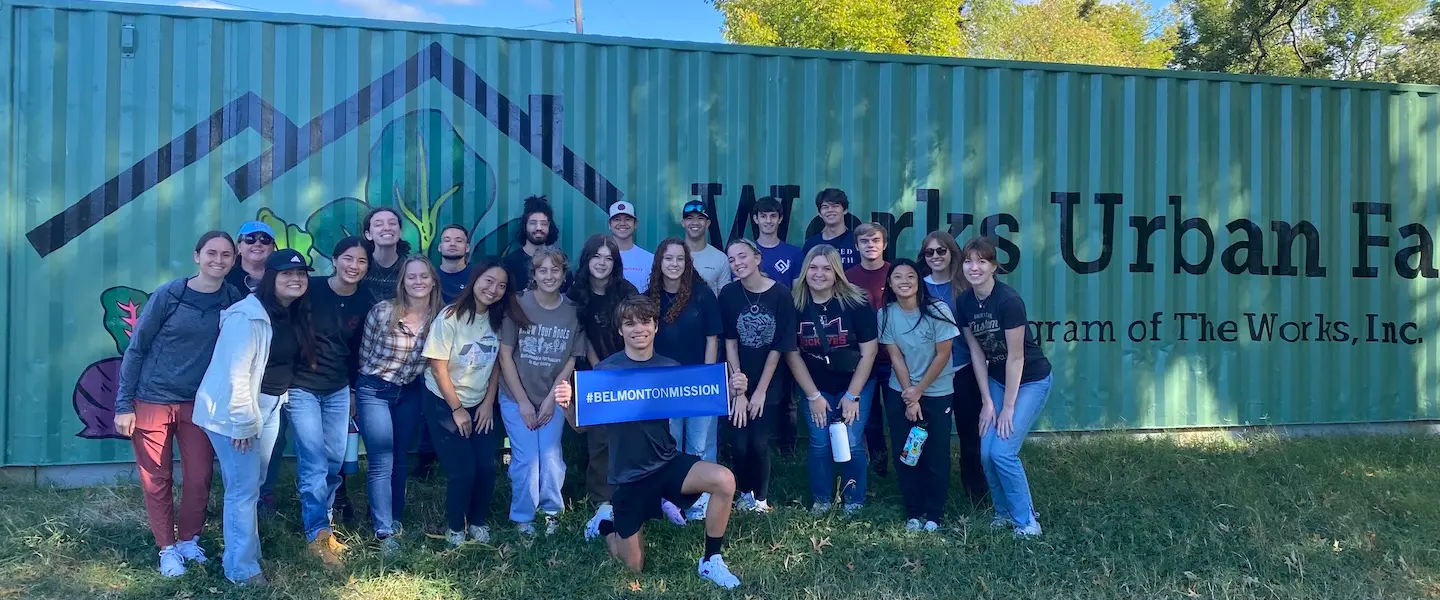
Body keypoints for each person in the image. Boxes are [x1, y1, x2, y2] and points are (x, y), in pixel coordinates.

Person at [553, 295, 749, 590]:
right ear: (620, 331)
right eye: (629, 323)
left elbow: (707, 398)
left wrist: (734, 390)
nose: (638, 329)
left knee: (724, 479)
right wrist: (567, 405)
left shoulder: (670, 368)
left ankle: (711, 560)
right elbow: (580, 428)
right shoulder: (606, 371)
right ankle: (606, 525)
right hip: (627, 476)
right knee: (633, 568)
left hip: (666, 463)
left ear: (656, 327)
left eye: (645, 321)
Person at [113, 231, 245, 577]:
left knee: (200, 477)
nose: (218, 260)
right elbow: (137, 348)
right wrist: (123, 404)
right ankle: (167, 549)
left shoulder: (233, 299)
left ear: (234, 261)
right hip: (152, 399)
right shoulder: (170, 295)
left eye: (226, 255)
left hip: (200, 403)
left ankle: (189, 539)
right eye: (211, 253)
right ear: (196, 255)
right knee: (157, 477)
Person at [193, 248, 314, 587]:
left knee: (253, 485)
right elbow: (236, 374)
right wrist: (243, 421)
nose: (295, 279)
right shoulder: (246, 316)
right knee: (243, 490)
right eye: (287, 274)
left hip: (270, 406)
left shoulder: (290, 312)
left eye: (301, 274)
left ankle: (243, 552)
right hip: (237, 410)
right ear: (269, 277)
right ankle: (241, 570)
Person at [957, 237, 1054, 538]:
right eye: (969, 261)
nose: (974, 267)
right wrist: (987, 402)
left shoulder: (1008, 301)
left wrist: (1007, 408)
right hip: (997, 381)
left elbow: (1016, 357)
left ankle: (1027, 521)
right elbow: (976, 352)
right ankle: (1003, 513)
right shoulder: (964, 302)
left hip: (1030, 380)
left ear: (994, 267)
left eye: (981, 261)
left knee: (1003, 452)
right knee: (986, 453)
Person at [423, 257, 524, 546]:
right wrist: (457, 410)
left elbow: (495, 365)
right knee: (462, 469)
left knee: (486, 466)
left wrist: (486, 404)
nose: (493, 289)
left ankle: (478, 522)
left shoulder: (498, 320)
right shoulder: (450, 316)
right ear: (475, 279)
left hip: (479, 403)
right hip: (444, 401)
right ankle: (456, 527)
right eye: (488, 281)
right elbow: (437, 367)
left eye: (501, 286)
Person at [289, 236, 372, 568]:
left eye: (362, 261)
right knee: (313, 462)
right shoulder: (311, 289)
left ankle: (323, 520)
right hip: (303, 386)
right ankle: (317, 534)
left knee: (335, 461)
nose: (354, 266)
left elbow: (357, 352)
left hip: (338, 388)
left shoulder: (365, 300)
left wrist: (352, 390)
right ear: (335, 260)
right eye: (348, 259)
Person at [355, 256, 443, 554]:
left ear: (433, 281)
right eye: (411, 277)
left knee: (401, 458)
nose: (418, 282)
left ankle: (394, 519)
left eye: (424, 276)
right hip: (375, 390)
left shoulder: (440, 319)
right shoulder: (382, 312)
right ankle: (383, 531)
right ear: (402, 282)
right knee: (382, 459)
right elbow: (364, 355)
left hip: (409, 392)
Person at [497, 247, 586, 537]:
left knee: (549, 457)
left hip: (553, 397)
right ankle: (523, 517)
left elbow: (572, 359)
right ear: (534, 275)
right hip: (515, 397)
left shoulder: (572, 311)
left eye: (555, 270)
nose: (549, 276)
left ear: (564, 273)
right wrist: (523, 402)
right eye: (542, 270)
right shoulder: (518, 304)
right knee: (526, 458)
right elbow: (506, 355)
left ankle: (551, 512)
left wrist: (551, 401)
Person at [785, 245, 878, 516]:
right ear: (804, 272)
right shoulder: (794, 304)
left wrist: (852, 396)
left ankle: (854, 500)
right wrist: (813, 397)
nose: (819, 274)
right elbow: (792, 355)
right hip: (816, 386)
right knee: (819, 441)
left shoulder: (857, 302)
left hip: (856, 382)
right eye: (813, 267)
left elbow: (869, 352)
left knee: (850, 439)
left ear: (837, 272)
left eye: (826, 268)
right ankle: (822, 499)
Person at [566, 234, 640, 539]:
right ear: (587, 260)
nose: (602, 263)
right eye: (596, 256)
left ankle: (633, 495)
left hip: (627, 372)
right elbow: (578, 336)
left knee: (630, 437)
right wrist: (599, 371)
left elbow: (639, 329)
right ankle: (601, 501)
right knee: (599, 439)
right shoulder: (575, 293)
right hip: (591, 375)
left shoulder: (626, 291)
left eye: (609, 258)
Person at [878, 259, 960, 533]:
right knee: (906, 453)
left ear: (919, 280)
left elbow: (943, 353)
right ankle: (914, 510)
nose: (904, 281)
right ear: (889, 283)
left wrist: (919, 391)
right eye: (897, 277)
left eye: (910, 276)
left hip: (937, 393)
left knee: (935, 455)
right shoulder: (886, 314)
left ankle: (934, 514)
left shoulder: (939, 309)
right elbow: (895, 357)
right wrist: (909, 397)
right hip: (900, 392)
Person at [647, 237, 724, 521]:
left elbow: (712, 339)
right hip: (663, 384)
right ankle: (672, 501)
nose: (674, 264)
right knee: (670, 443)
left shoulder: (703, 295)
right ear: (659, 262)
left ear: (687, 262)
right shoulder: (649, 296)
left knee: (700, 444)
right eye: (669, 258)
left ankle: (701, 503)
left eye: (680, 258)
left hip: (700, 380)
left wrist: (706, 377)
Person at [719, 238, 797, 513]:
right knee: (739, 445)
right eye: (731, 259)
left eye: (742, 257)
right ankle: (744, 492)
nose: (737, 263)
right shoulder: (728, 294)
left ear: (757, 258)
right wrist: (739, 389)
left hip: (770, 379)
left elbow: (778, 346)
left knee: (759, 442)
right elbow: (729, 342)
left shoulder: (781, 295)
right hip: (738, 377)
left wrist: (760, 390)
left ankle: (761, 499)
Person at [921, 231, 987, 506]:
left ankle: (976, 492)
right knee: (929, 436)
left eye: (941, 251)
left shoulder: (964, 287)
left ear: (952, 253)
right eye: (930, 252)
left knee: (970, 434)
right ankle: (928, 492)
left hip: (962, 370)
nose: (936, 256)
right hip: (929, 375)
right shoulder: (917, 285)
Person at [752, 195, 803, 456]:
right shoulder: (748, 252)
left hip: (783, 334)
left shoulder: (793, 253)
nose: (768, 220)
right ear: (755, 218)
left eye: (773, 216)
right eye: (763, 216)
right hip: (752, 334)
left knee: (787, 396)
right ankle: (755, 444)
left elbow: (796, 295)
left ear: (780, 219)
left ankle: (788, 450)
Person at [845, 223, 893, 477]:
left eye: (875, 240)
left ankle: (908, 465)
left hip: (895, 358)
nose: (870, 245)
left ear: (884, 244)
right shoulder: (848, 277)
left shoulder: (896, 273)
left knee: (899, 415)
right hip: (864, 359)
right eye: (864, 241)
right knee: (870, 418)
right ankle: (878, 467)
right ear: (857, 246)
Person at [502, 195, 566, 293]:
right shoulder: (509, 263)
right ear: (525, 226)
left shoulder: (560, 260)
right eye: (533, 223)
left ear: (550, 227)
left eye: (543, 223)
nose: (538, 228)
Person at [680, 200, 731, 295]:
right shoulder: (672, 256)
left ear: (708, 223)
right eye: (690, 218)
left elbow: (724, 299)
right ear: (683, 223)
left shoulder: (720, 258)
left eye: (700, 218)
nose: (695, 222)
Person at [361, 207, 410, 303]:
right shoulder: (358, 266)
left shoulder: (410, 268)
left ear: (400, 232)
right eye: (378, 224)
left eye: (392, 223)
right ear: (368, 235)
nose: (387, 228)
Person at [801, 188, 858, 271]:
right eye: (825, 207)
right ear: (820, 213)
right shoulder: (811, 244)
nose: (830, 210)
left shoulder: (857, 241)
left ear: (845, 210)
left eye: (835, 206)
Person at [607, 201, 653, 291]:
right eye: (617, 219)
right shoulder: (600, 258)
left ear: (635, 224)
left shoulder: (650, 260)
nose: (622, 223)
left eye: (627, 219)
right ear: (609, 225)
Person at [227, 221, 275, 294]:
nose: (257, 244)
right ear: (239, 247)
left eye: (265, 239)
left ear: (273, 247)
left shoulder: (282, 276)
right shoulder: (225, 277)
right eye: (250, 239)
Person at [435, 224, 474, 304]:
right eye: (447, 240)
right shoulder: (430, 275)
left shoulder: (476, 276)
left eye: (459, 241)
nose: (452, 244)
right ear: (440, 247)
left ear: (467, 248)